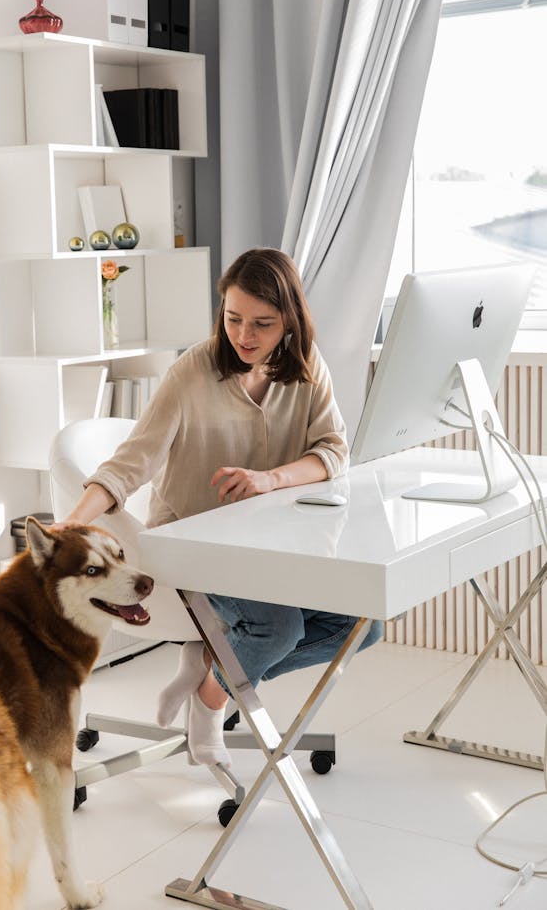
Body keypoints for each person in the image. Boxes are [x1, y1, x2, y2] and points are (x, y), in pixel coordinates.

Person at [61, 247, 382, 767]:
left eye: (262, 323)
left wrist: (269, 479)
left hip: (270, 542)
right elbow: (130, 464)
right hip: (192, 548)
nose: (244, 336)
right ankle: (214, 700)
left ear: (290, 323)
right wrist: (71, 523)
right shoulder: (193, 370)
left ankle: (213, 672)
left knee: (363, 623)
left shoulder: (305, 367)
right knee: (278, 630)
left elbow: (333, 451)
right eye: (233, 319)